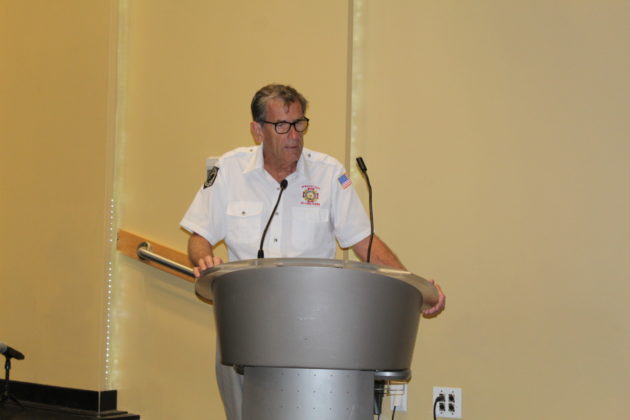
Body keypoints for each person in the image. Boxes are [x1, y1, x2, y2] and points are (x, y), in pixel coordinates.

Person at [180, 84, 445, 419]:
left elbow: (364, 242)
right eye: (282, 126)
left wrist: (413, 287)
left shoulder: (328, 173)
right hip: (246, 325)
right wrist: (202, 257)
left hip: (317, 328)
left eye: (299, 123)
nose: (293, 135)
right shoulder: (230, 170)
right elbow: (199, 235)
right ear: (257, 130)